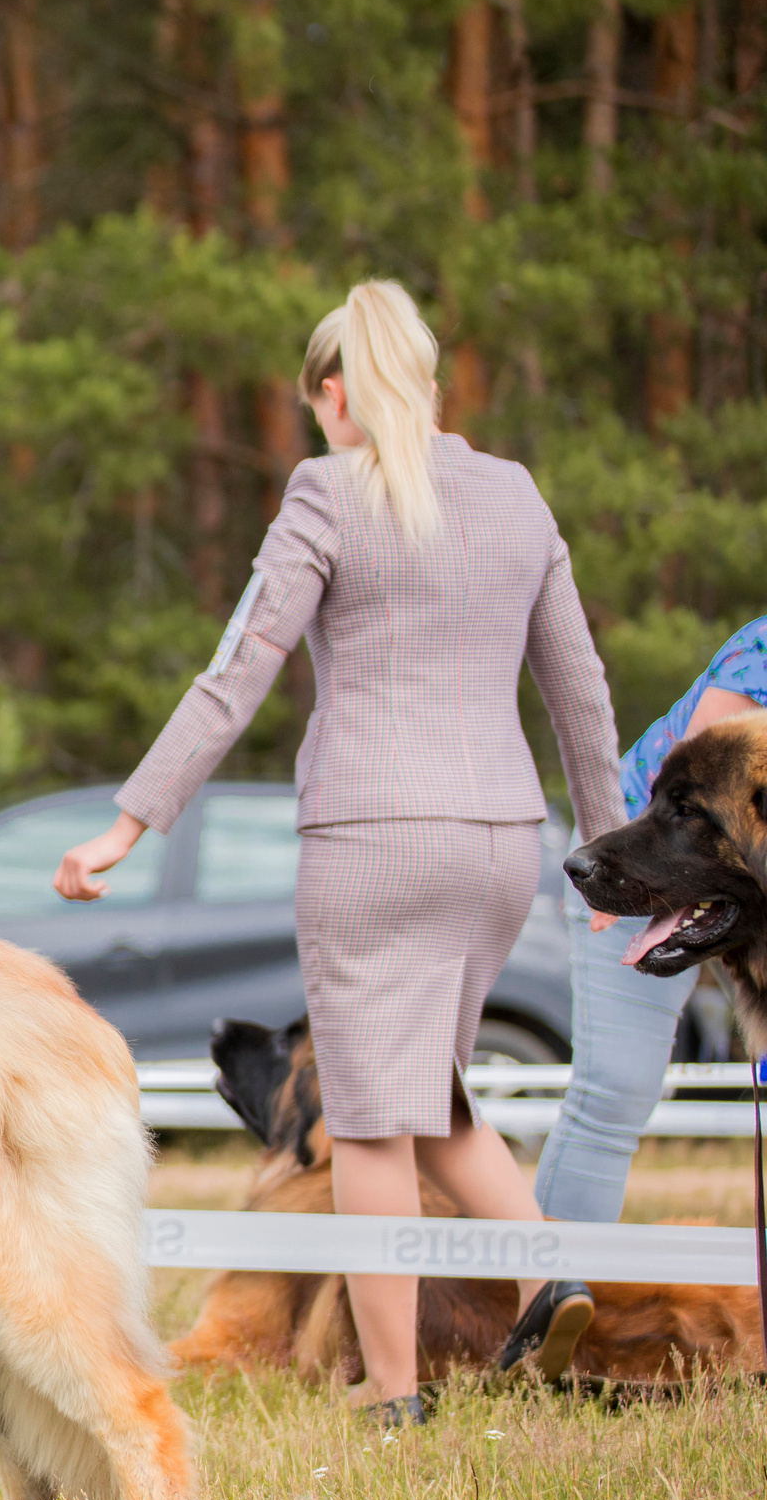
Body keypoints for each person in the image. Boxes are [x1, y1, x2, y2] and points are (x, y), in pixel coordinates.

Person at [51, 281, 627, 1423]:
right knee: (431, 1099)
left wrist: (129, 821)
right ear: (428, 383)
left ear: (334, 394)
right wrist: (606, 850)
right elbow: (581, 692)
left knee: (366, 1121)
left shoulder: (325, 492)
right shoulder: (515, 495)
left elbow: (236, 673)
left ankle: (393, 1391)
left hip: (373, 843)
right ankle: (548, 1273)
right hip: (499, 844)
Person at [534, 621, 767, 1222]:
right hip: (634, 864)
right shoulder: (761, 653)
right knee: (614, 1092)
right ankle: (558, 1273)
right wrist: (614, 882)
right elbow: (696, 794)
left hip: (721, 882)